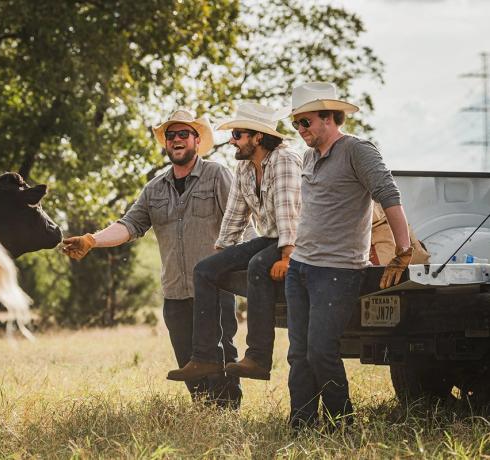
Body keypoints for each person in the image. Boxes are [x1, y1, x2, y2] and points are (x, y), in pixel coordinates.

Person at [62, 109, 242, 407]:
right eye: (170, 136)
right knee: (187, 359)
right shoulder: (155, 189)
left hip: (215, 288)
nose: (176, 140)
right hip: (175, 291)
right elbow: (129, 225)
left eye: (183, 134)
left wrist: (247, 266)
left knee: (220, 354)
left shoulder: (217, 175)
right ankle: (204, 414)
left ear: (197, 140)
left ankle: (227, 416)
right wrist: (92, 240)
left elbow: (240, 222)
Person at [285, 82, 414, 429]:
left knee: (321, 351)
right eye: (295, 124)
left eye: (305, 122)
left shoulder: (358, 150)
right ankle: (302, 423)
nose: (300, 130)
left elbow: (388, 193)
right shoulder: (310, 156)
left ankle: (342, 423)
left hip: (337, 270)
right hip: (301, 267)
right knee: (298, 354)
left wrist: (403, 250)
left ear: (329, 117)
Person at [166, 102, 302, 383]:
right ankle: (203, 358)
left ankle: (258, 358)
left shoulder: (284, 160)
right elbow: (235, 215)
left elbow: (290, 212)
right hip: (270, 237)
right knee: (205, 270)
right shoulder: (245, 168)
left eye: (238, 134)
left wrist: (288, 255)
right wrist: (220, 256)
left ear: (258, 137)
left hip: (298, 237)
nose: (232, 141)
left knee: (257, 266)